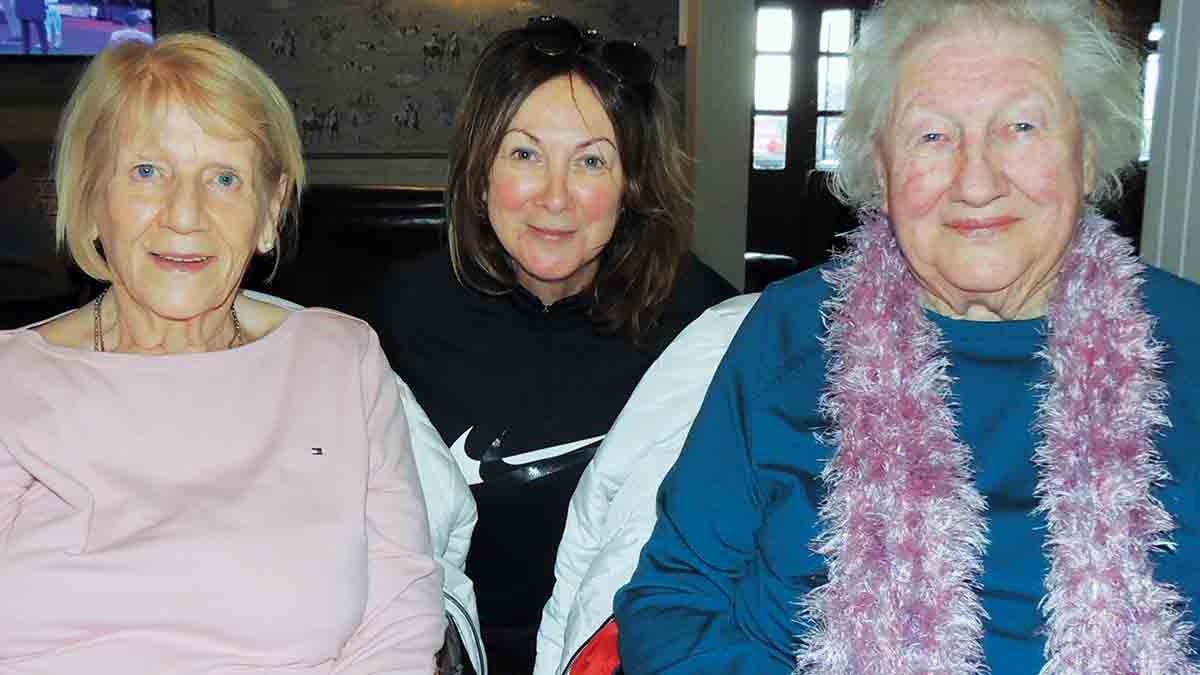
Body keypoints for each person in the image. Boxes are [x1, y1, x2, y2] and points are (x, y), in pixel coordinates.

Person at [615, 0, 1200, 672]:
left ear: (1088, 152)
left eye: (1021, 125)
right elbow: (672, 602)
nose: (976, 182)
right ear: (883, 171)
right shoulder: (790, 332)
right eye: (932, 135)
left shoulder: (1188, 339)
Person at [0, 33, 444, 672]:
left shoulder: (339, 362)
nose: (185, 215)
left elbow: (397, 620)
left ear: (269, 211)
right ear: (92, 198)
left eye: (224, 179)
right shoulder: (14, 379)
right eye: (147, 171)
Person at [363, 16, 737, 675]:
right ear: (481, 173)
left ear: (631, 185)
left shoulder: (703, 326)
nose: (555, 197)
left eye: (591, 161)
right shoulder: (396, 315)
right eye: (525, 154)